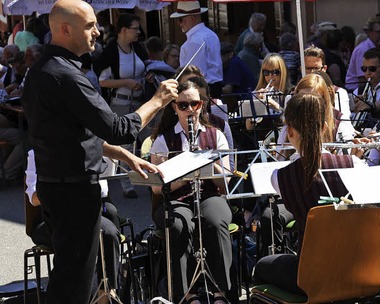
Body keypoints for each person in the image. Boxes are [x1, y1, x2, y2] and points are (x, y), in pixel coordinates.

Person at [21, 0, 178, 303]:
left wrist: (124, 155)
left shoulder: (43, 70)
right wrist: (158, 100)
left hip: (62, 186)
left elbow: (74, 135)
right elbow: (118, 128)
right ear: (66, 30)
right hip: (73, 191)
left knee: (71, 276)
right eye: (90, 25)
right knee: (74, 282)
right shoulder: (64, 75)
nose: (98, 31)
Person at [252, 93, 365, 294]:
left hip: (311, 273)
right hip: (356, 268)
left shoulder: (279, 177)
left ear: (290, 132)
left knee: (261, 267)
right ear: (324, 127)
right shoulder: (353, 165)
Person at [150, 80, 233, 304]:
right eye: (183, 105)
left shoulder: (216, 136)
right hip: (176, 198)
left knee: (215, 221)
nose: (189, 110)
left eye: (194, 105)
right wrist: (184, 169)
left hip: (209, 194)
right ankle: (186, 294)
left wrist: (208, 159)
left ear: (202, 105)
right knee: (178, 224)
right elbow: (156, 188)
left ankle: (221, 292)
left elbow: (226, 184)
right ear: (174, 107)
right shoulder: (162, 140)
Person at [25, 150, 122, 304]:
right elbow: (34, 199)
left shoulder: (88, 148)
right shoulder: (37, 152)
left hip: (86, 212)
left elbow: (103, 189)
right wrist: (57, 184)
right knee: (81, 239)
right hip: (52, 218)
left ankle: (106, 293)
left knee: (108, 231)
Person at [94, 13, 149, 199]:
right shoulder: (110, 52)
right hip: (120, 103)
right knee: (125, 144)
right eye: (135, 28)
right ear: (123, 30)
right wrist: (125, 82)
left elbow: (146, 66)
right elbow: (102, 81)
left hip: (140, 102)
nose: (138, 32)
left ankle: (150, 180)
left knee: (147, 141)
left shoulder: (139, 49)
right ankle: (127, 185)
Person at [170, 1, 224, 98]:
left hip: (200, 91)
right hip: (214, 88)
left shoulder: (193, 41)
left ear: (192, 18)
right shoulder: (211, 34)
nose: (179, 23)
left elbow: (193, 75)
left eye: (181, 19)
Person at [345, 18, 380, 91]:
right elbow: (363, 78)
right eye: (378, 32)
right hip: (356, 91)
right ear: (369, 32)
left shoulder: (377, 46)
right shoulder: (363, 49)